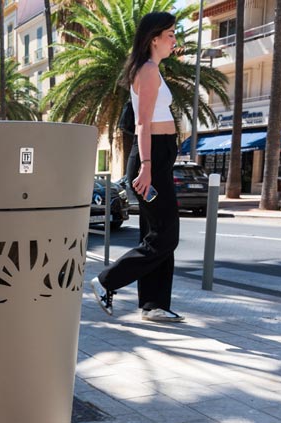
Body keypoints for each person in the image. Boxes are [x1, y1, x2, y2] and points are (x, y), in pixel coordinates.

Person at [88, 11, 184, 323]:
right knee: (165, 236)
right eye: (170, 34)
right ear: (154, 37)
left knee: (154, 232)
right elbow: (142, 123)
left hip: (159, 158)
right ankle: (106, 281)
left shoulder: (152, 69)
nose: (174, 40)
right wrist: (146, 167)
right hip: (151, 159)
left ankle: (153, 304)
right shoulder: (147, 71)